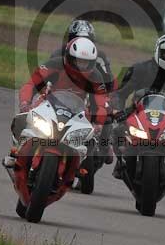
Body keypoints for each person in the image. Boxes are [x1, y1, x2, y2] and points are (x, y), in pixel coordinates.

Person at [4, 36, 112, 168]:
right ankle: (15, 153)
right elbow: (30, 85)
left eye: (85, 62)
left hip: (78, 111)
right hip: (47, 103)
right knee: (23, 118)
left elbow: (100, 103)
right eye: (78, 60)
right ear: (69, 57)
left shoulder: (96, 76)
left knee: (91, 138)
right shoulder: (54, 65)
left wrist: (98, 123)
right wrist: (25, 103)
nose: (81, 65)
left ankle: (79, 165)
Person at [113, 33, 165, 184]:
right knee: (118, 130)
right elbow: (120, 94)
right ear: (158, 51)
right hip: (138, 111)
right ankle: (121, 163)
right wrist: (117, 111)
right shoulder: (139, 69)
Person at [49, 19, 117, 163]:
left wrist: (106, 97)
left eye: (86, 40)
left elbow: (109, 79)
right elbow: (50, 75)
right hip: (61, 93)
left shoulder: (100, 56)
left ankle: (104, 147)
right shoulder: (58, 53)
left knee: (107, 113)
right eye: (76, 38)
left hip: (91, 93)